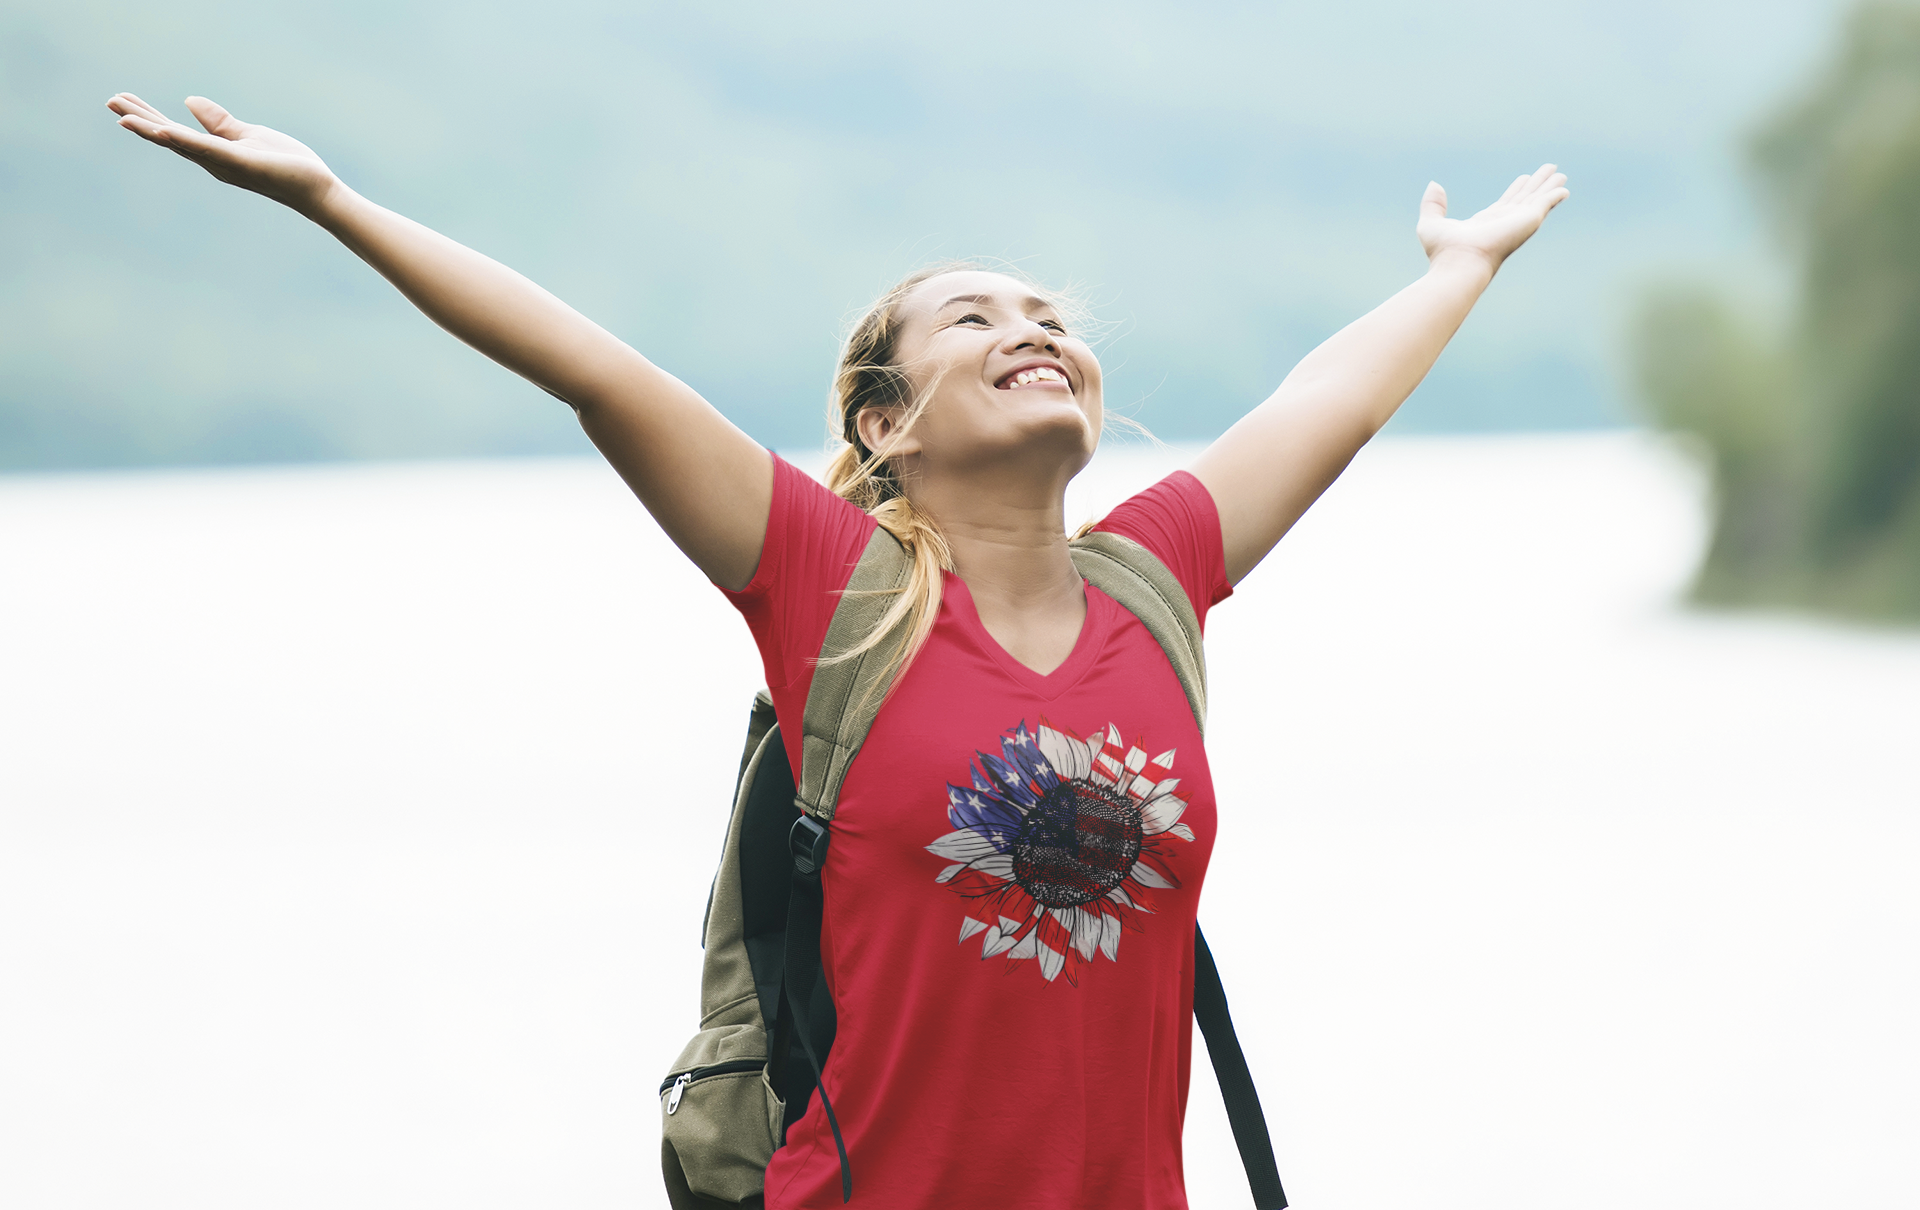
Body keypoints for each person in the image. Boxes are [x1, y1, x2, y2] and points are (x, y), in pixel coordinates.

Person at [107, 91, 1569, 1210]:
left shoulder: (1158, 579)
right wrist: (333, 200)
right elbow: (593, 370)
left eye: (1051, 314)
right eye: (975, 317)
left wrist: (1460, 265)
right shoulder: (837, 587)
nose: (1033, 327)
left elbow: (1334, 400)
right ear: (885, 423)